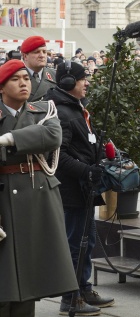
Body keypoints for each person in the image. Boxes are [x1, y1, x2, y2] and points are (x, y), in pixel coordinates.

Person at [0, 60, 77, 316]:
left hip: (36, 198)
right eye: (15, 79)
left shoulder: (43, 109)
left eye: (26, 77)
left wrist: (9, 139)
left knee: (30, 279)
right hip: (3, 198)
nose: (24, 82)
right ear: (1, 87)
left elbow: (53, 136)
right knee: (5, 278)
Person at [45, 61, 115, 316]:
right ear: (67, 83)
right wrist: (86, 170)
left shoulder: (77, 109)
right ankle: (70, 299)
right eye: (82, 78)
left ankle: (83, 289)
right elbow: (59, 156)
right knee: (75, 245)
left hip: (85, 188)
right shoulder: (62, 113)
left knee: (88, 241)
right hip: (71, 190)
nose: (87, 83)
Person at [20, 35, 57, 102]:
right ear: (25, 56)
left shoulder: (55, 75)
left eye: (44, 52)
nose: (42, 56)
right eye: (36, 52)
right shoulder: (15, 77)